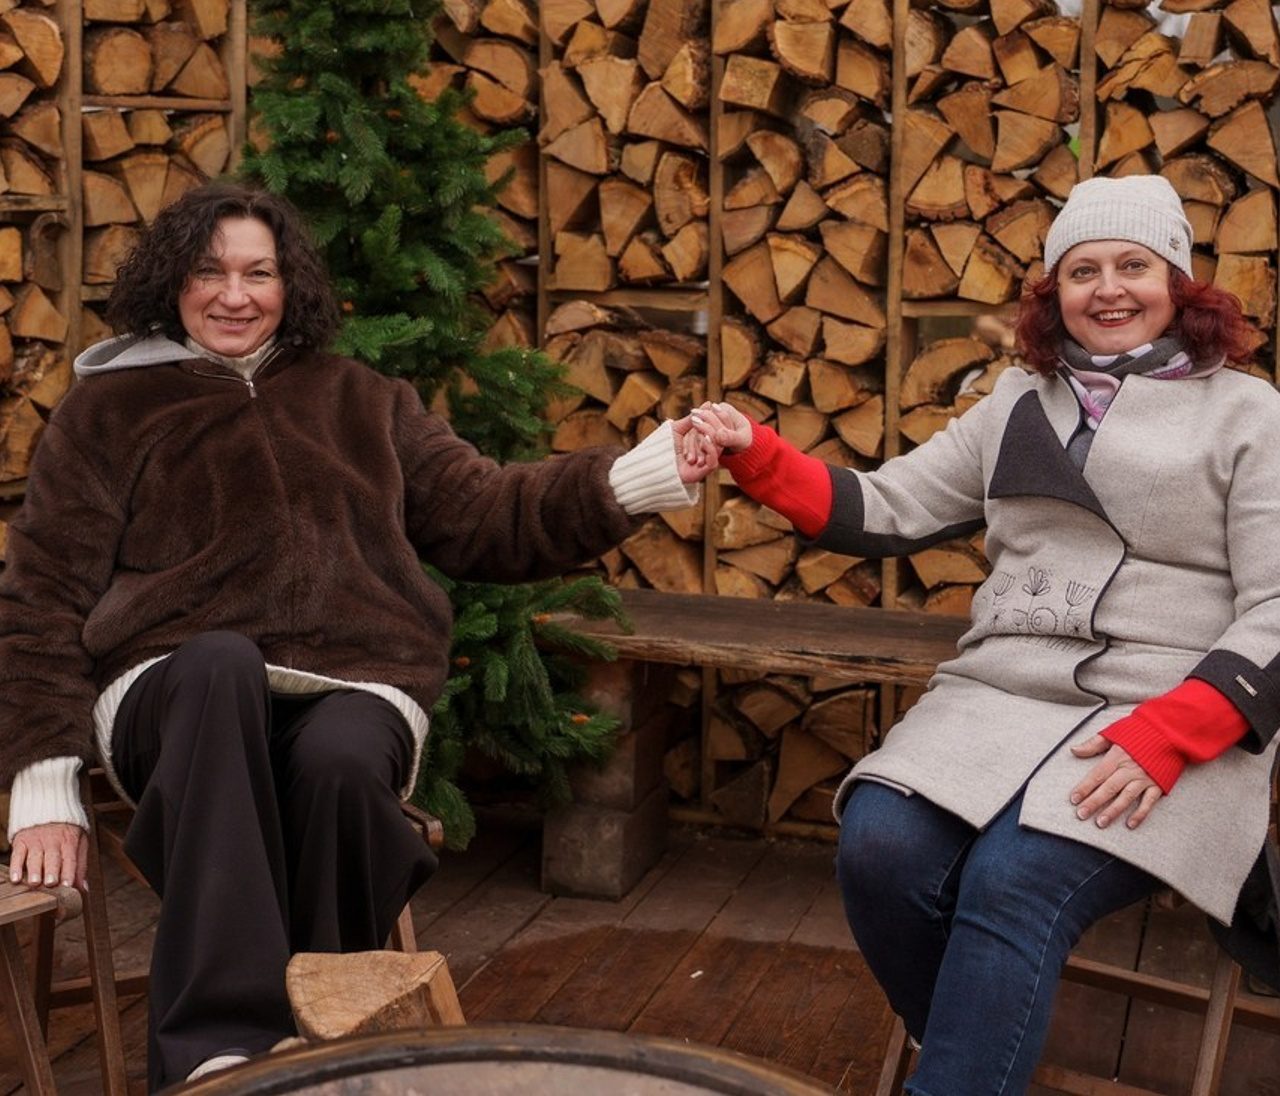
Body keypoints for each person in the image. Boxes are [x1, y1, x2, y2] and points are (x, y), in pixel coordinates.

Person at [0, 181, 708, 1089]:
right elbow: (40, 594)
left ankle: (325, 1049)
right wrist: (44, 781)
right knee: (220, 665)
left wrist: (640, 475)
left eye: (258, 273)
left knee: (340, 764)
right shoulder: (108, 412)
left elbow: (490, 513)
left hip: (353, 676)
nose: (234, 294)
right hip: (172, 690)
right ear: (171, 281)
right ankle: (216, 1053)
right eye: (209, 271)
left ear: (289, 285)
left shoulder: (362, 398)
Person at [686, 174, 1280, 1095]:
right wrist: (754, 452)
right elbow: (890, 506)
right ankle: (976, 1055)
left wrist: (1176, 730)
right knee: (877, 847)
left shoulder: (1249, 414)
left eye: (1135, 265)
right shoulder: (1018, 400)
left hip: (1171, 715)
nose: (1110, 288)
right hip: (1003, 691)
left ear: (1179, 284)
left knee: (1013, 879)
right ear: (1055, 294)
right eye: (1083, 270)